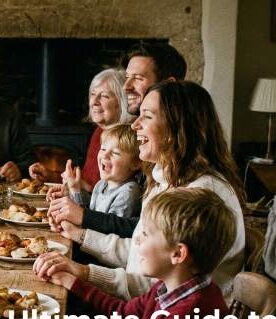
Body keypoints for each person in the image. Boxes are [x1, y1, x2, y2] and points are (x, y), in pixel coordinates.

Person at [35, 80, 245, 301]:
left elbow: (155, 290)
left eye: (147, 116)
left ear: (177, 129)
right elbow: (139, 253)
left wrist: (83, 273)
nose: (135, 125)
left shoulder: (200, 195)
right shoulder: (166, 179)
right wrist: (80, 235)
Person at [40, 188, 241, 319]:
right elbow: (125, 312)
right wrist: (73, 282)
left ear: (178, 254)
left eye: (145, 235)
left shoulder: (186, 318)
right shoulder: (170, 288)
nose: (136, 242)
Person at [47, 42, 188, 238]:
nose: (126, 86)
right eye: (127, 77)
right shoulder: (135, 138)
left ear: (169, 85)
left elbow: (141, 231)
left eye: (137, 78)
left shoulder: (171, 151)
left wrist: (82, 219)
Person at [30, 68, 131, 190]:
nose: (94, 101)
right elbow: (85, 180)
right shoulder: (99, 132)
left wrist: (79, 186)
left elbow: (107, 195)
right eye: (93, 94)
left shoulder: (125, 140)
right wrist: (50, 176)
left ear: (121, 102)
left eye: (104, 96)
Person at [64, 123, 142, 219]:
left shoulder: (128, 192)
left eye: (115, 153)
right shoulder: (102, 184)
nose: (105, 155)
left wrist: (75, 191)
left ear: (135, 163)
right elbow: (89, 213)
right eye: (103, 149)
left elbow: (107, 227)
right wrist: (72, 190)